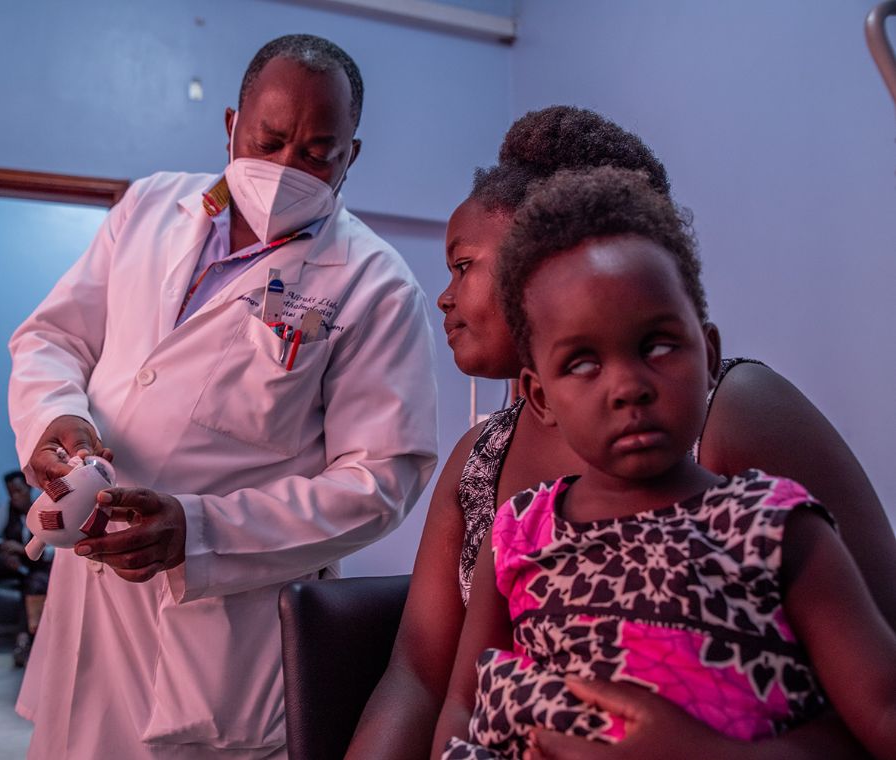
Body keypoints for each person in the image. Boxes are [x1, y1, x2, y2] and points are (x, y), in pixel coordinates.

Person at [347, 106, 896, 759]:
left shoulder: (741, 437)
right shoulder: (488, 476)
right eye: (581, 361)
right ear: (540, 392)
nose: (444, 295)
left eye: (463, 264)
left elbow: (876, 687)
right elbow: (424, 680)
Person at [7, 34, 438, 758]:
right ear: (232, 125)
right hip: (91, 601)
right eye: (268, 141)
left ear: (351, 157)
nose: (285, 167)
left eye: (316, 153)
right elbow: (54, 338)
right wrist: (60, 421)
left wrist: (200, 530)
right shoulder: (150, 206)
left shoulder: (374, 283)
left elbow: (379, 481)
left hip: (220, 632)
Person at [0, 470, 51, 666]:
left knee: (34, 584)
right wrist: (4, 546)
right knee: (6, 564)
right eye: (11, 493)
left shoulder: (43, 509)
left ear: (29, 489)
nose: (15, 497)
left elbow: (53, 550)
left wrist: (22, 549)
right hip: (15, 567)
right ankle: (23, 641)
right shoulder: (6, 509)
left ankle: (25, 640)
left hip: (38, 567)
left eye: (19, 491)